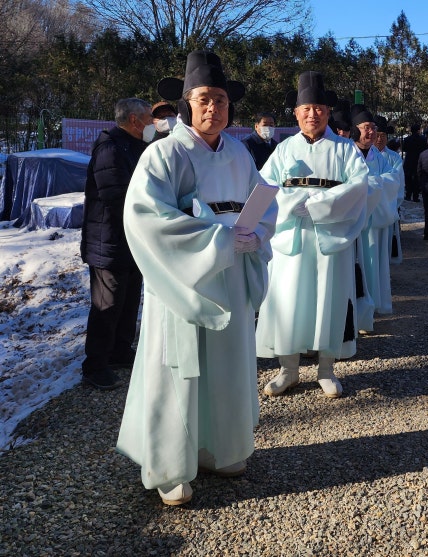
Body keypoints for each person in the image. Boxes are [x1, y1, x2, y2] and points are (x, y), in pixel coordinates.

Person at [116, 50, 277, 506]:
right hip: (182, 283)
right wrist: (223, 241)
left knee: (226, 367)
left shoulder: (241, 154)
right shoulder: (163, 155)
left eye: (222, 100)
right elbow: (146, 219)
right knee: (178, 372)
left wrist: (255, 234)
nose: (214, 108)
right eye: (205, 99)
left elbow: (265, 204)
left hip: (228, 281)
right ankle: (170, 463)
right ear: (187, 102)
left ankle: (221, 448)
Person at [256, 70, 369, 398]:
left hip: (330, 237)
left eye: (318, 108)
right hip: (291, 237)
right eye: (306, 109)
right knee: (288, 301)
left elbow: (359, 187)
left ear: (327, 111)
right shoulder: (283, 149)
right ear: (296, 113)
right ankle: (288, 369)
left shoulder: (346, 150)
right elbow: (264, 187)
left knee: (329, 301)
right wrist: (291, 203)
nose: (312, 114)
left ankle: (326, 369)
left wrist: (320, 205)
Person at [80, 98, 152, 390]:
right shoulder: (110, 148)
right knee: (106, 305)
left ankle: (120, 352)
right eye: (149, 117)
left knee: (129, 300)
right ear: (134, 120)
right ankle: (94, 365)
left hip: (131, 239)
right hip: (108, 242)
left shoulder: (134, 145)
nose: (153, 123)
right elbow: (117, 196)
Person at [351, 106, 399, 320]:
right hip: (354, 222)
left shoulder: (377, 157)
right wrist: (371, 186)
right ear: (355, 130)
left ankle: (370, 311)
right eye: (365, 128)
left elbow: (393, 179)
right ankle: (356, 314)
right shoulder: (347, 152)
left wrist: (373, 185)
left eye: (373, 128)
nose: (370, 133)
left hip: (374, 223)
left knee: (374, 268)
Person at [374, 116, 405, 265]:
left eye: (383, 136)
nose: (379, 139)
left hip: (388, 209)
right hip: (369, 211)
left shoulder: (394, 158)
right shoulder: (364, 154)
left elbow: (399, 185)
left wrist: (390, 205)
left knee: (385, 247)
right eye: (377, 135)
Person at [402, 123, 426, 201]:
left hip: (409, 159)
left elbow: (404, 149)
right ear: (418, 130)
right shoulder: (423, 139)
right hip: (418, 160)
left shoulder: (407, 139)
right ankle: (415, 196)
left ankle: (408, 194)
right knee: (417, 178)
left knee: (408, 178)